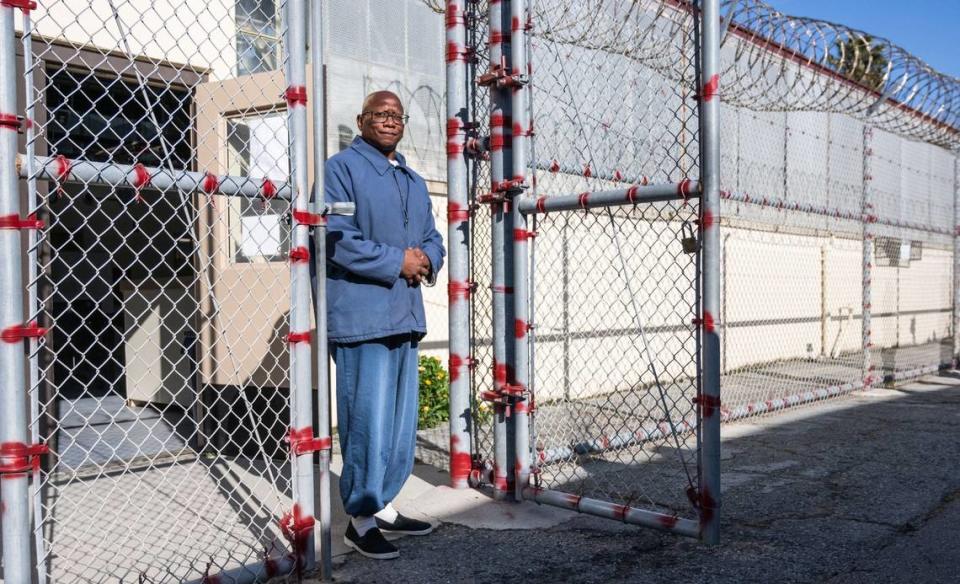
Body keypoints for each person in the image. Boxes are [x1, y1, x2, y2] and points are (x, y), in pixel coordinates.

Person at [324, 90, 446, 560]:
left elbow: (433, 238)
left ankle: (384, 506)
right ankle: (360, 518)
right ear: (361, 120)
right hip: (363, 318)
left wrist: (425, 259)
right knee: (366, 421)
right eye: (380, 114)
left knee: (399, 425)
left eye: (396, 115)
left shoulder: (412, 180)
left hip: (405, 316)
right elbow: (337, 239)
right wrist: (399, 261)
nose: (389, 120)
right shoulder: (342, 170)